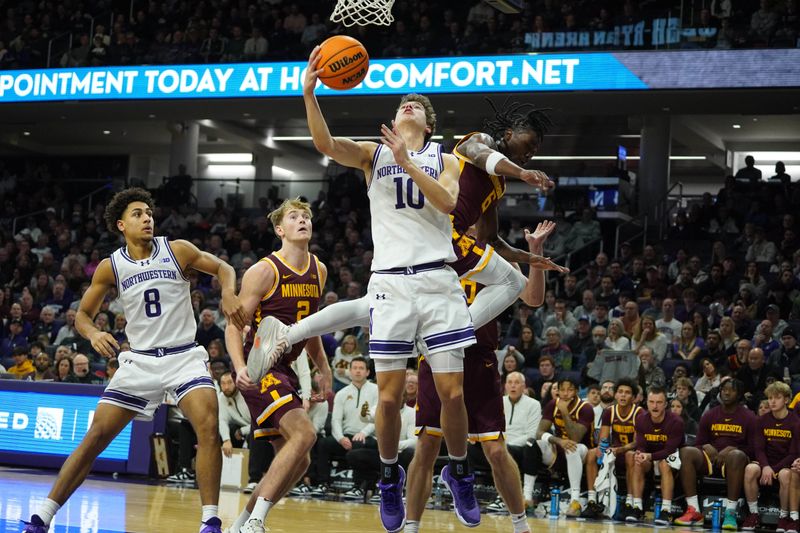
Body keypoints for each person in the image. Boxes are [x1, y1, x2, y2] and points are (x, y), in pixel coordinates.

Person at [22, 187, 246, 533]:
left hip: (183, 356)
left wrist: (229, 292)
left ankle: (210, 521)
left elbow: (224, 268)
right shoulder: (111, 267)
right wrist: (94, 334)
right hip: (139, 362)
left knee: (208, 425)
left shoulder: (178, 250)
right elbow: (82, 314)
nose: (147, 218)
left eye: (149, 213)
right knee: (95, 436)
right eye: (138, 214)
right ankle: (43, 517)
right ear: (120, 224)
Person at [406, 221, 553, 533]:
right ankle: (411, 526)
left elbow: (533, 299)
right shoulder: (434, 250)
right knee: (427, 447)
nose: (471, 223)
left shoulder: (494, 254)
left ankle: (521, 525)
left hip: (479, 358)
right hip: (437, 355)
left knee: (497, 450)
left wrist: (534, 252)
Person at [223, 198, 332, 533]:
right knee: (305, 433)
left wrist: (323, 369)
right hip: (259, 368)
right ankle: (257, 520)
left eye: (306, 216)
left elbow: (310, 327)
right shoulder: (263, 270)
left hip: (286, 367)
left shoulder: (320, 270)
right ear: (280, 229)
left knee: (300, 461)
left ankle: (240, 524)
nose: (302, 221)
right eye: (294, 217)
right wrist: (240, 367)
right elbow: (231, 325)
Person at [675, 379, 757, 530]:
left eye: (731, 390)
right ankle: (694, 510)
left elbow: (754, 449)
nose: (726, 392)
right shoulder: (710, 414)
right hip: (711, 460)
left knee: (736, 455)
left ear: (738, 394)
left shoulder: (749, 417)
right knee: (686, 452)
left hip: (735, 462)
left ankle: (730, 513)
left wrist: (733, 448)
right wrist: (706, 446)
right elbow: (698, 442)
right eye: (723, 389)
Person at [530, 376, 595, 517]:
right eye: (562, 390)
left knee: (572, 447)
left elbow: (575, 438)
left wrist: (565, 412)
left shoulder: (586, 408)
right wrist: (558, 441)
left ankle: (575, 501)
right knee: (533, 444)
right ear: (557, 391)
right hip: (559, 448)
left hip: (584, 451)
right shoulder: (553, 404)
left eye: (570, 390)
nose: (565, 394)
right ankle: (527, 497)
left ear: (577, 391)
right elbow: (539, 432)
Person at [580, 378, 643, 520]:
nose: (623, 395)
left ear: (633, 397)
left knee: (630, 455)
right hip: (614, 453)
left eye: (627, 393)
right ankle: (592, 501)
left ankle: (630, 503)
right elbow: (603, 438)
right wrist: (601, 450)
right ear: (615, 395)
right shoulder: (609, 411)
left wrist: (620, 450)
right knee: (591, 453)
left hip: (631, 452)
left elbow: (636, 442)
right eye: (620, 392)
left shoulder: (639, 412)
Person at [742, 382, 800, 531]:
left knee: (786, 475)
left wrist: (773, 469)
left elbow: (794, 453)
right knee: (750, 469)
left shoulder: (795, 422)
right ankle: (753, 514)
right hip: (765, 462)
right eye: (770, 398)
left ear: (786, 400)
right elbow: (759, 449)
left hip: (784, 464)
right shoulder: (762, 420)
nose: (772, 401)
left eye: (777, 398)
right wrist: (765, 466)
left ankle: (784, 517)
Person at [625, 386, 685, 525]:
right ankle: (637, 507)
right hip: (650, 457)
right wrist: (641, 454)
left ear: (665, 404)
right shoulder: (640, 419)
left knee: (664, 463)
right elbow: (640, 445)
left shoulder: (676, 421)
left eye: (659, 402)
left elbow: (669, 450)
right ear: (647, 403)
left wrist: (649, 456)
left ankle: (666, 510)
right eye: (652, 402)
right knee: (637, 460)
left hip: (672, 457)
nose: (655, 406)